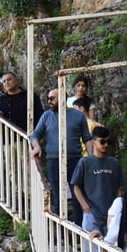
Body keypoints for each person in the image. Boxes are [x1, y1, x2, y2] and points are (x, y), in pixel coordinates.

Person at [29, 88, 91, 216]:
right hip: (54, 161)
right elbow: (35, 135)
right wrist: (36, 147)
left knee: (78, 196)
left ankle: (79, 226)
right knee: (57, 198)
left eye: (52, 98)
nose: (49, 101)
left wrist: (91, 158)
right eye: (48, 98)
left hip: (75, 160)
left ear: (62, 97)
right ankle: (59, 228)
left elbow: (87, 138)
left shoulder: (78, 115)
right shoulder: (47, 116)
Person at [70, 126, 124, 236]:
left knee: (112, 246)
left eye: (108, 142)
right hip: (92, 214)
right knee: (92, 246)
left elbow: (119, 188)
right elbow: (76, 187)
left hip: (111, 214)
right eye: (102, 142)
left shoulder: (114, 163)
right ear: (93, 142)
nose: (106, 145)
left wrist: (118, 208)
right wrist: (85, 207)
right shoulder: (84, 162)